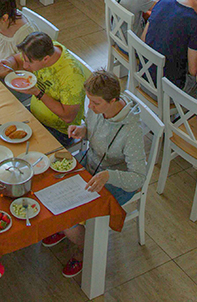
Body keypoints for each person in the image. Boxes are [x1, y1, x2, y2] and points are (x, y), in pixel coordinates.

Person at [43, 70, 149, 278]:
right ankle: (66, 228)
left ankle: (85, 250)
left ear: (114, 101)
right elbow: (94, 127)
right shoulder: (97, 106)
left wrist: (109, 175)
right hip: (92, 164)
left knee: (69, 215)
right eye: (89, 101)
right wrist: (83, 130)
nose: (90, 107)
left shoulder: (131, 130)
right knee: (48, 181)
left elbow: (138, 177)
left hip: (117, 180)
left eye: (95, 103)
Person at [16, 32, 90, 142]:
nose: (25, 66)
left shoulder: (72, 75)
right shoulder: (45, 49)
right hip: (34, 114)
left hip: (58, 130)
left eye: (28, 63)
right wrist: (7, 62)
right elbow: (18, 60)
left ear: (45, 59)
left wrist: (38, 93)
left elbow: (68, 117)